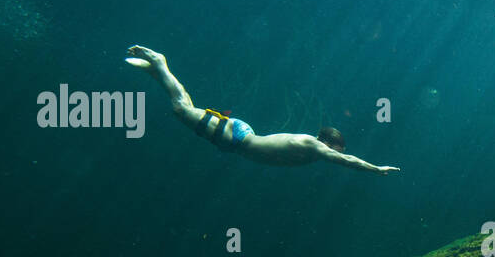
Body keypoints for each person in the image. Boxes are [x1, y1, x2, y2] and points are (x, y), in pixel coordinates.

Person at [124, 45, 399, 173]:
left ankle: (155, 72)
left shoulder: (310, 151)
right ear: (327, 141)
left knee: (185, 109)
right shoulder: (312, 145)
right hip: (239, 137)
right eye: (336, 149)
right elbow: (347, 161)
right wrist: (376, 169)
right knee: (182, 109)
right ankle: (158, 61)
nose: (335, 154)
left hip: (238, 140)